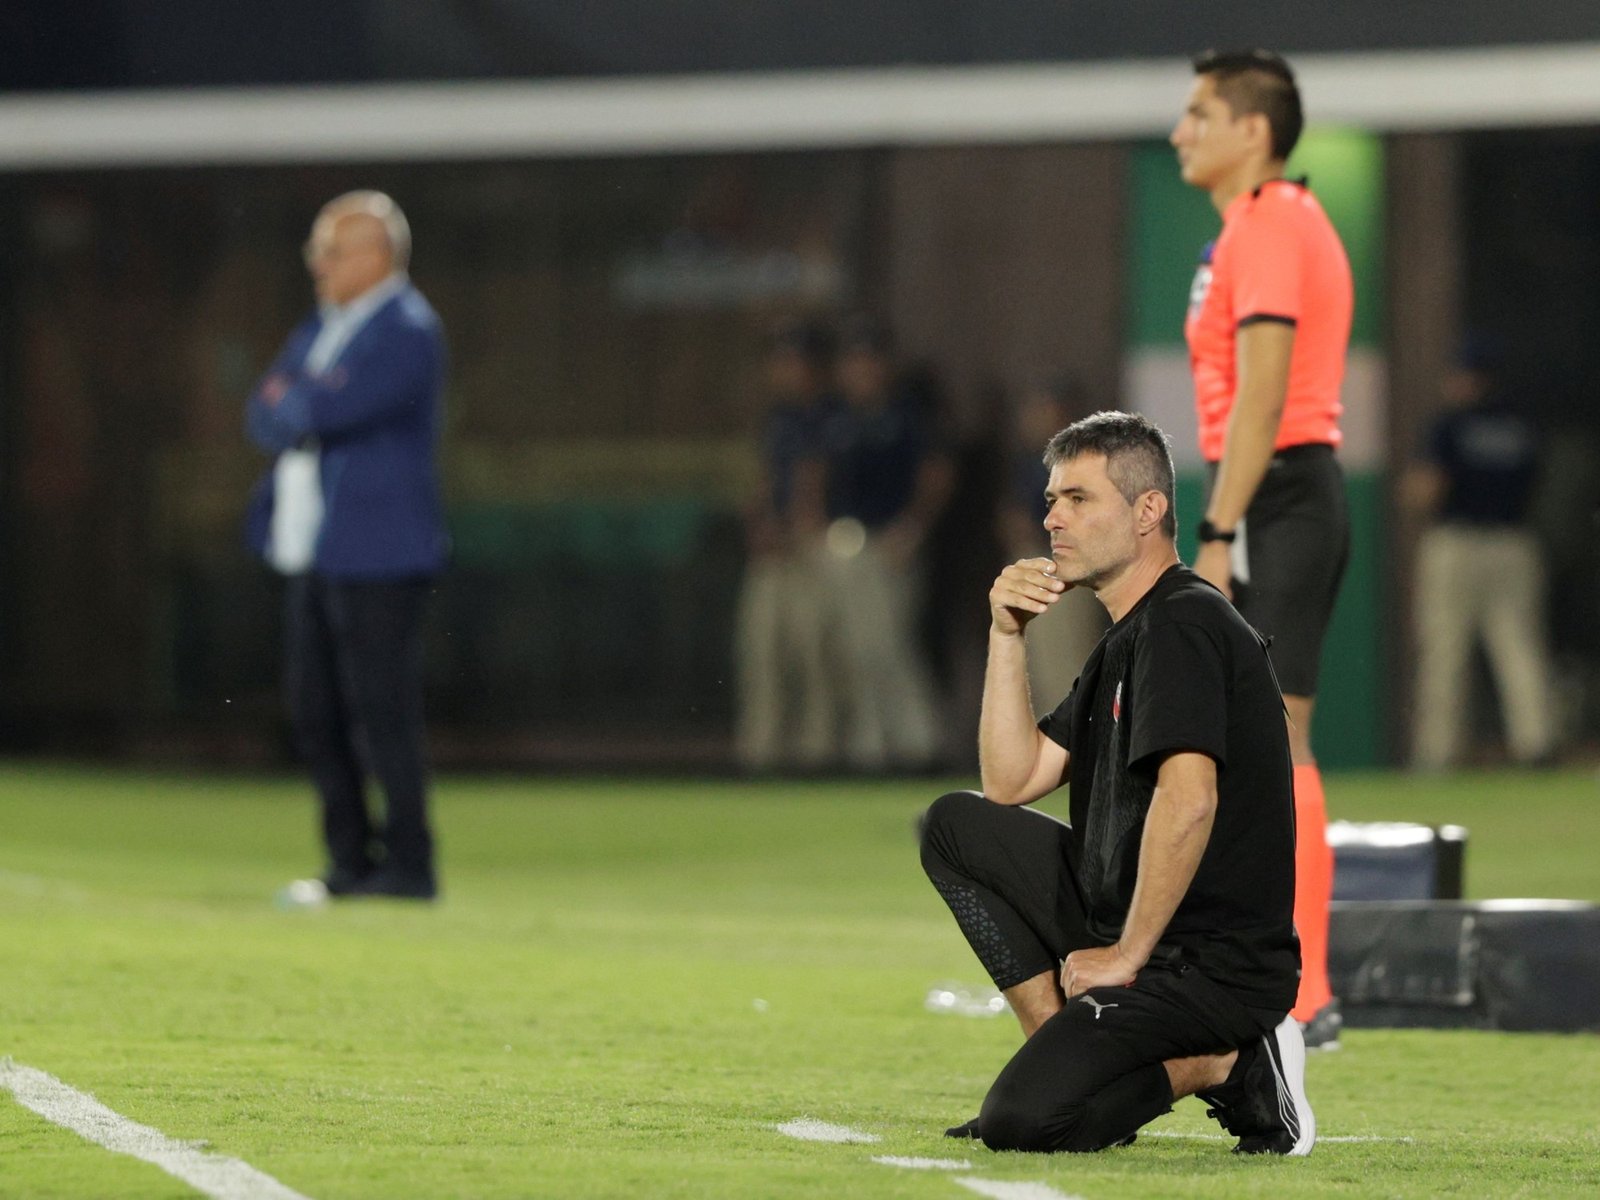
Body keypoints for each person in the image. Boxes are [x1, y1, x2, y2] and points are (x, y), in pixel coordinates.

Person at [920, 411, 1312, 1156]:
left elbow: (1190, 800)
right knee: (956, 826)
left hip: (1207, 965)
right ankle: (1063, 1048)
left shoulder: (1184, 627)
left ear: (1147, 511)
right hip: (1139, 926)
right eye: (1051, 499)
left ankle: (1226, 1063)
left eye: (1077, 499)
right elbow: (1011, 781)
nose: (1051, 518)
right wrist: (1007, 635)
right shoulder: (1128, 638)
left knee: (1024, 1124)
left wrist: (1127, 957)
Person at [1171, 48, 1349, 1046]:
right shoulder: (1243, 229)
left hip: (1277, 499)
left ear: (1252, 130)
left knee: (1277, 745)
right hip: (1260, 495)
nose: (1178, 131)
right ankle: (1250, 969)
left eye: (1198, 113)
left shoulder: (1275, 223)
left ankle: (1308, 992)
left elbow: (1264, 401)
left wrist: (1216, 532)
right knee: (1246, 749)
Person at [246, 191, 448, 901]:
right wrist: (302, 403)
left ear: (376, 256)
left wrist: (302, 401)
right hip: (314, 549)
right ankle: (348, 860)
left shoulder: (407, 329)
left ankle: (409, 864)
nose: (318, 264)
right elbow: (263, 408)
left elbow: (325, 409)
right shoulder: (321, 328)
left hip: (379, 550)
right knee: (316, 711)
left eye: (332, 250)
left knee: (381, 714)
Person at [1404, 339, 1557, 770]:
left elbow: (1426, 489)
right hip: (1513, 543)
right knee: (1519, 648)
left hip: (1459, 543)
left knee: (1445, 650)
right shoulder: (1520, 424)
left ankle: (1438, 753)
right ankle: (1535, 743)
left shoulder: (1450, 424)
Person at [817, 318, 952, 771]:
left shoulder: (908, 411)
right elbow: (813, 477)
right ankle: (868, 749)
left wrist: (913, 529)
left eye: (869, 361)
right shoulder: (835, 415)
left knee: (888, 646)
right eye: (854, 361)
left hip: (891, 544)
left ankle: (919, 746)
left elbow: (936, 474)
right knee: (853, 651)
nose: (861, 370)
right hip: (846, 542)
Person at [733, 320, 838, 771]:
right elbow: (762, 482)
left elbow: (815, 485)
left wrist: (795, 528)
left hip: (814, 553)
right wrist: (760, 526)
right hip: (774, 554)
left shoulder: (833, 415)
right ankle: (761, 754)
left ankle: (818, 756)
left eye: (796, 362)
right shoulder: (779, 418)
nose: (788, 370)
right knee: (761, 653)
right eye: (783, 361)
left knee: (814, 656)